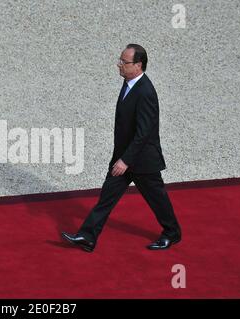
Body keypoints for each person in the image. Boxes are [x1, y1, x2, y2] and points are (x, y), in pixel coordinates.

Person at [62, 44, 181, 252]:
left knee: (157, 199)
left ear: (138, 65)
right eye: (120, 60)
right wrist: (121, 158)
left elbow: (144, 132)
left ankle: (172, 233)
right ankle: (88, 236)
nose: (119, 65)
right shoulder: (129, 83)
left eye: (124, 62)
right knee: (106, 198)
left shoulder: (145, 92)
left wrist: (126, 160)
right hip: (124, 158)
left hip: (142, 160)